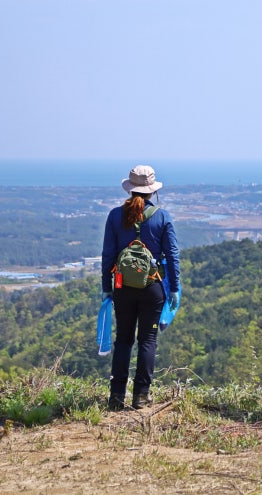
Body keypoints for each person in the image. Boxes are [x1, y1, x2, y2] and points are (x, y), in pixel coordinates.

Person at [101, 165, 180, 411]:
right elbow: (173, 255)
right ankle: (141, 396)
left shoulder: (115, 216)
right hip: (152, 288)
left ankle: (116, 397)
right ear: (151, 192)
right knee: (147, 340)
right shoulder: (162, 217)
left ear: (130, 188)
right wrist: (175, 288)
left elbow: (107, 256)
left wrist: (107, 287)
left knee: (123, 340)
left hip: (123, 288)